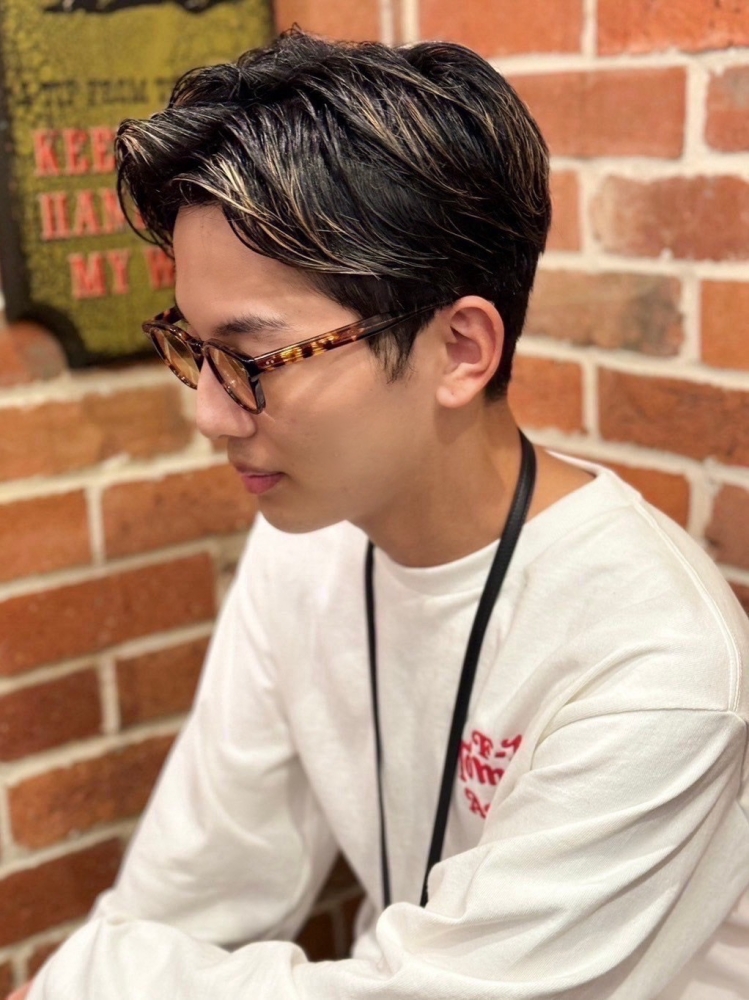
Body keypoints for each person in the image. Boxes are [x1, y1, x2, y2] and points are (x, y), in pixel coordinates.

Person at [14, 28, 749, 1000]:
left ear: (459, 350)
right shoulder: (305, 539)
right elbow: (187, 894)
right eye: (193, 348)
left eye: (252, 357)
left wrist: (89, 981)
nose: (209, 414)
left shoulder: (657, 660)